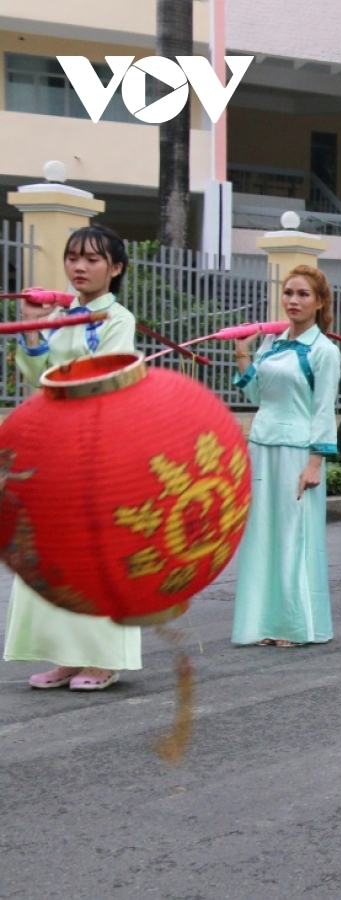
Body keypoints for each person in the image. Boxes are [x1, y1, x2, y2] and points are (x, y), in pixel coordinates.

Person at [4, 224, 140, 690]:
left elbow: (107, 374)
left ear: (115, 268)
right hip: (51, 442)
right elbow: (37, 374)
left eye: (93, 259)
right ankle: (63, 654)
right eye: (73, 258)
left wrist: (68, 333)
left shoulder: (117, 319)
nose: (79, 267)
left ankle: (101, 658)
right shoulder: (60, 313)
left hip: (95, 446)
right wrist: (34, 326)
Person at [231, 265, 341, 647]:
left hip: (298, 453)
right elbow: (257, 398)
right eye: (289, 293)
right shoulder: (272, 343)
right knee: (262, 534)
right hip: (261, 447)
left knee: (294, 536)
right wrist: (244, 352)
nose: (293, 301)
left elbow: (324, 409)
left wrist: (316, 462)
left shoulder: (325, 351)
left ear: (320, 302)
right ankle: (264, 622)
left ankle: (294, 625)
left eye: (303, 294)